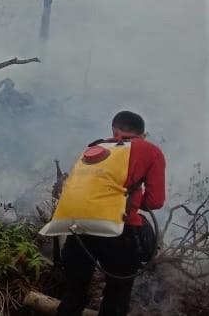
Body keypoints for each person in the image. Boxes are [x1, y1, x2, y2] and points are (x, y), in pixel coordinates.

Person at [56, 111, 166, 316]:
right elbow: (155, 201)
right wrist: (127, 197)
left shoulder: (93, 148)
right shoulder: (151, 151)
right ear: (143, 135)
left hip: (78, 228)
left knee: (72, 296)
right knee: (116, 299)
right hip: (120, 230)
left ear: (115, 130)